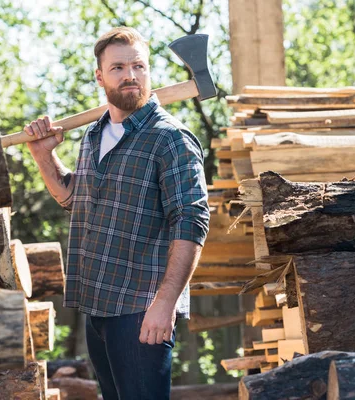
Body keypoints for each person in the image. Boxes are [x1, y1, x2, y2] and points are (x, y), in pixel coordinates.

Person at [24, 27, 210, 400]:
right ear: (100, 76)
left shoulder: (170, 138)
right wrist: (44, 155)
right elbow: (75, 198)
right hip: (97, 304)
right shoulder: (94, 135)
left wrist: (166, 303)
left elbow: (191, 221)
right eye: (118, 68)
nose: (130, 76)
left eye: (139, 66)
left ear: (149, 71)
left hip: (142, 310)